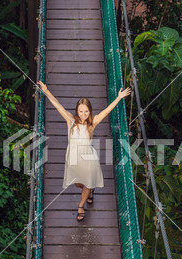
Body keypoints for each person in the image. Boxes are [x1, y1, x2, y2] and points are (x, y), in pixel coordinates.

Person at [37, 81, 131, 221]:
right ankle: (90, 191)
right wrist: (45, 90)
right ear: (77, 111)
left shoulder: (93, 122)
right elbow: (57, 105)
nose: (83, 114)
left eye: (86, 111)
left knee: (86, 182)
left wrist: (118, 97)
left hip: (88, 158)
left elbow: (106, 111)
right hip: (73, 157)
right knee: (78, 183)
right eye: (81, 111)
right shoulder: (70, 120)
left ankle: (81, 205)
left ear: (90, 111)